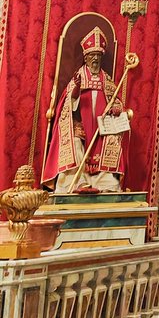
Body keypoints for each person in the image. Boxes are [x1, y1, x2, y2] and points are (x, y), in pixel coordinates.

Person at [42, 26, 129, 193]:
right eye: (92, 56)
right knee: (75, 141)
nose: (95, 59)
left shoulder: (107, 81)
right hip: (79, 124)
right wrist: (75, 92)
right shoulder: (78, 78)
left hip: (101, 128)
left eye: (98, 56)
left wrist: (117, 108)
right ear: (86, 58)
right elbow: (66, 104)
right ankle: (77, 181)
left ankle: (105, 183)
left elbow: (116, 102)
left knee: (111, 140)